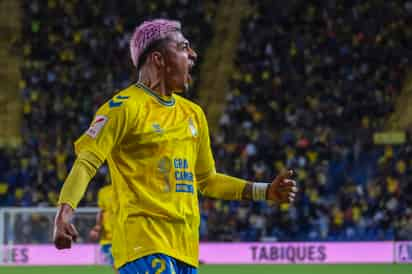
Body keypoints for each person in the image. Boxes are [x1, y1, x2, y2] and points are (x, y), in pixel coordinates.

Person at [53, 19, 298, 274]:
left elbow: (208, 180)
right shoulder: (123, 108)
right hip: (144, 245)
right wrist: (64, 212)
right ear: (158, 58)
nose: (193, 54)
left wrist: (265, 191)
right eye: (183, 47)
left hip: (185, 249)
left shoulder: (193, 114)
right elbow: (87, 161)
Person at [89, 183, 117, 272]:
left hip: (124, 236)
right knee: (115, 265)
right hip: (108, 238)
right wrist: (97, 227)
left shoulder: (127, 188)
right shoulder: (103, 191)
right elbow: (101, 212)